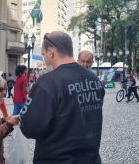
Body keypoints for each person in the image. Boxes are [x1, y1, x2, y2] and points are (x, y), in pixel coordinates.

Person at [19, 31, 105, 164]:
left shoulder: (48, 83)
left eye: (44, 55)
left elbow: (30, 128)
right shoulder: (94, 79)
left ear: (50, 52)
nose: (45, 59)